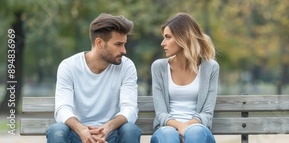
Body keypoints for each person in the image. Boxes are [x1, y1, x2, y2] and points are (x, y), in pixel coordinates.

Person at [46, 13, 141, 143]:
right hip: (77, 135)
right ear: (99, 43)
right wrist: (82, 130)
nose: (123, 50)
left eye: (124, 44)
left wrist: (107, 128)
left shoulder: (127, 66)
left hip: (111, 135)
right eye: (118, 44)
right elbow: (62, 109)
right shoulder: (69, 66)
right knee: (56, 130)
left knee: (131, 130)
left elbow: (130, 109)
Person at [150, 13, 219, 143]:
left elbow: (207, 113)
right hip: (167, 129)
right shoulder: (158, 67)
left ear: (184, 38)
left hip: (199, 131)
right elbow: (161, 113)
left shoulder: (211, 67)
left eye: (168, 37)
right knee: (168, 135)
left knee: (195, 133)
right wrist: (180, 127)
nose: (162, 43)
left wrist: (187, 128)